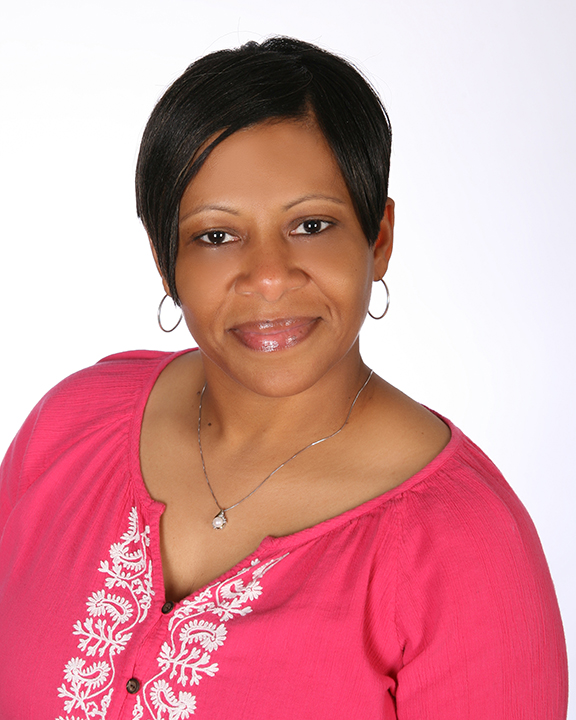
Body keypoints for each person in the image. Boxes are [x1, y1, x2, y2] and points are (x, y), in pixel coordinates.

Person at [0, 37, 567, 720]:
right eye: (215, 236)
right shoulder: (68, 431)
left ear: (378, 239)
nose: (268, 276)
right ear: (163, 260)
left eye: (312, 224)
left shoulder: (468, 551)